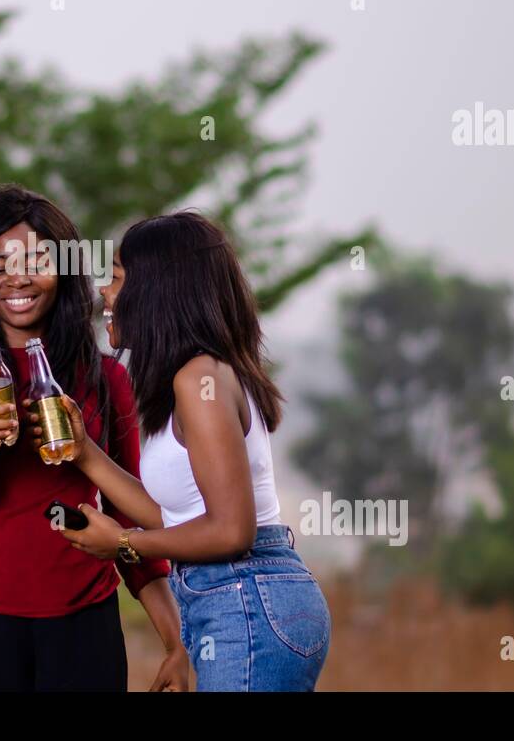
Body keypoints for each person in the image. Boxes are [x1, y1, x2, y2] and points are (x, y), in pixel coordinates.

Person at [31, 211, 330, 691]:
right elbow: (176, 516)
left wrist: (122, 544)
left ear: (157, 292)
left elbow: (232, 531)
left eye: (118, 279)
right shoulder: (193, 378)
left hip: (247, 599)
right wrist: (84, 452)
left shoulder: (200, 379)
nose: (103, 294)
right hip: (237, 599)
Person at [0, 185, 188, 692]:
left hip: (85, 618)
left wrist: (176, 641)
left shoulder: (105, 377)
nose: (17, 279)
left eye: (36, 261)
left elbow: (131, 515)